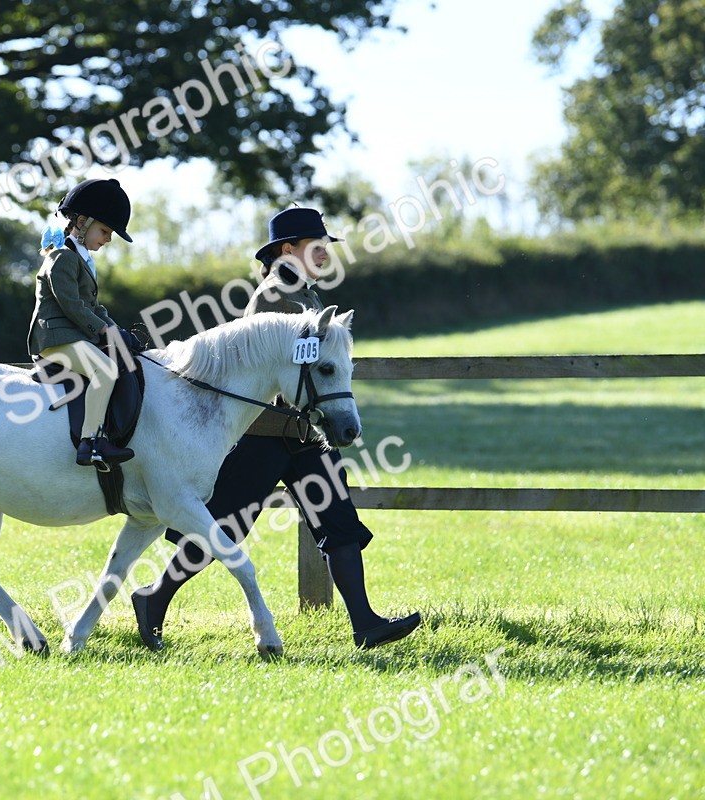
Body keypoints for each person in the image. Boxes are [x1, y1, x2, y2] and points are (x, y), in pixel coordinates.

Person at [130, 207, 422, 650]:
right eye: (316, 245)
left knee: (338, 522)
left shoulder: (307, 295)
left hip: (306, 437)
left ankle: (364, 623)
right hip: (263, 436)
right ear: (289, 250)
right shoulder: (274, 295)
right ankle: (153, 599)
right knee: (223, 528)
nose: (325, 253)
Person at [27, 177, 142, 468]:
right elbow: (72, 305)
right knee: (104, 369)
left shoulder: (80, 260)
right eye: (104, 230)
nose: (108, 238)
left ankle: (99, 436)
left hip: (72, 337)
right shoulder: (62, 257)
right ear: (81, 221)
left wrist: (117, 330)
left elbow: (94, 307)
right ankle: (90, 444)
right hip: (54, 338)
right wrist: (104, 331)